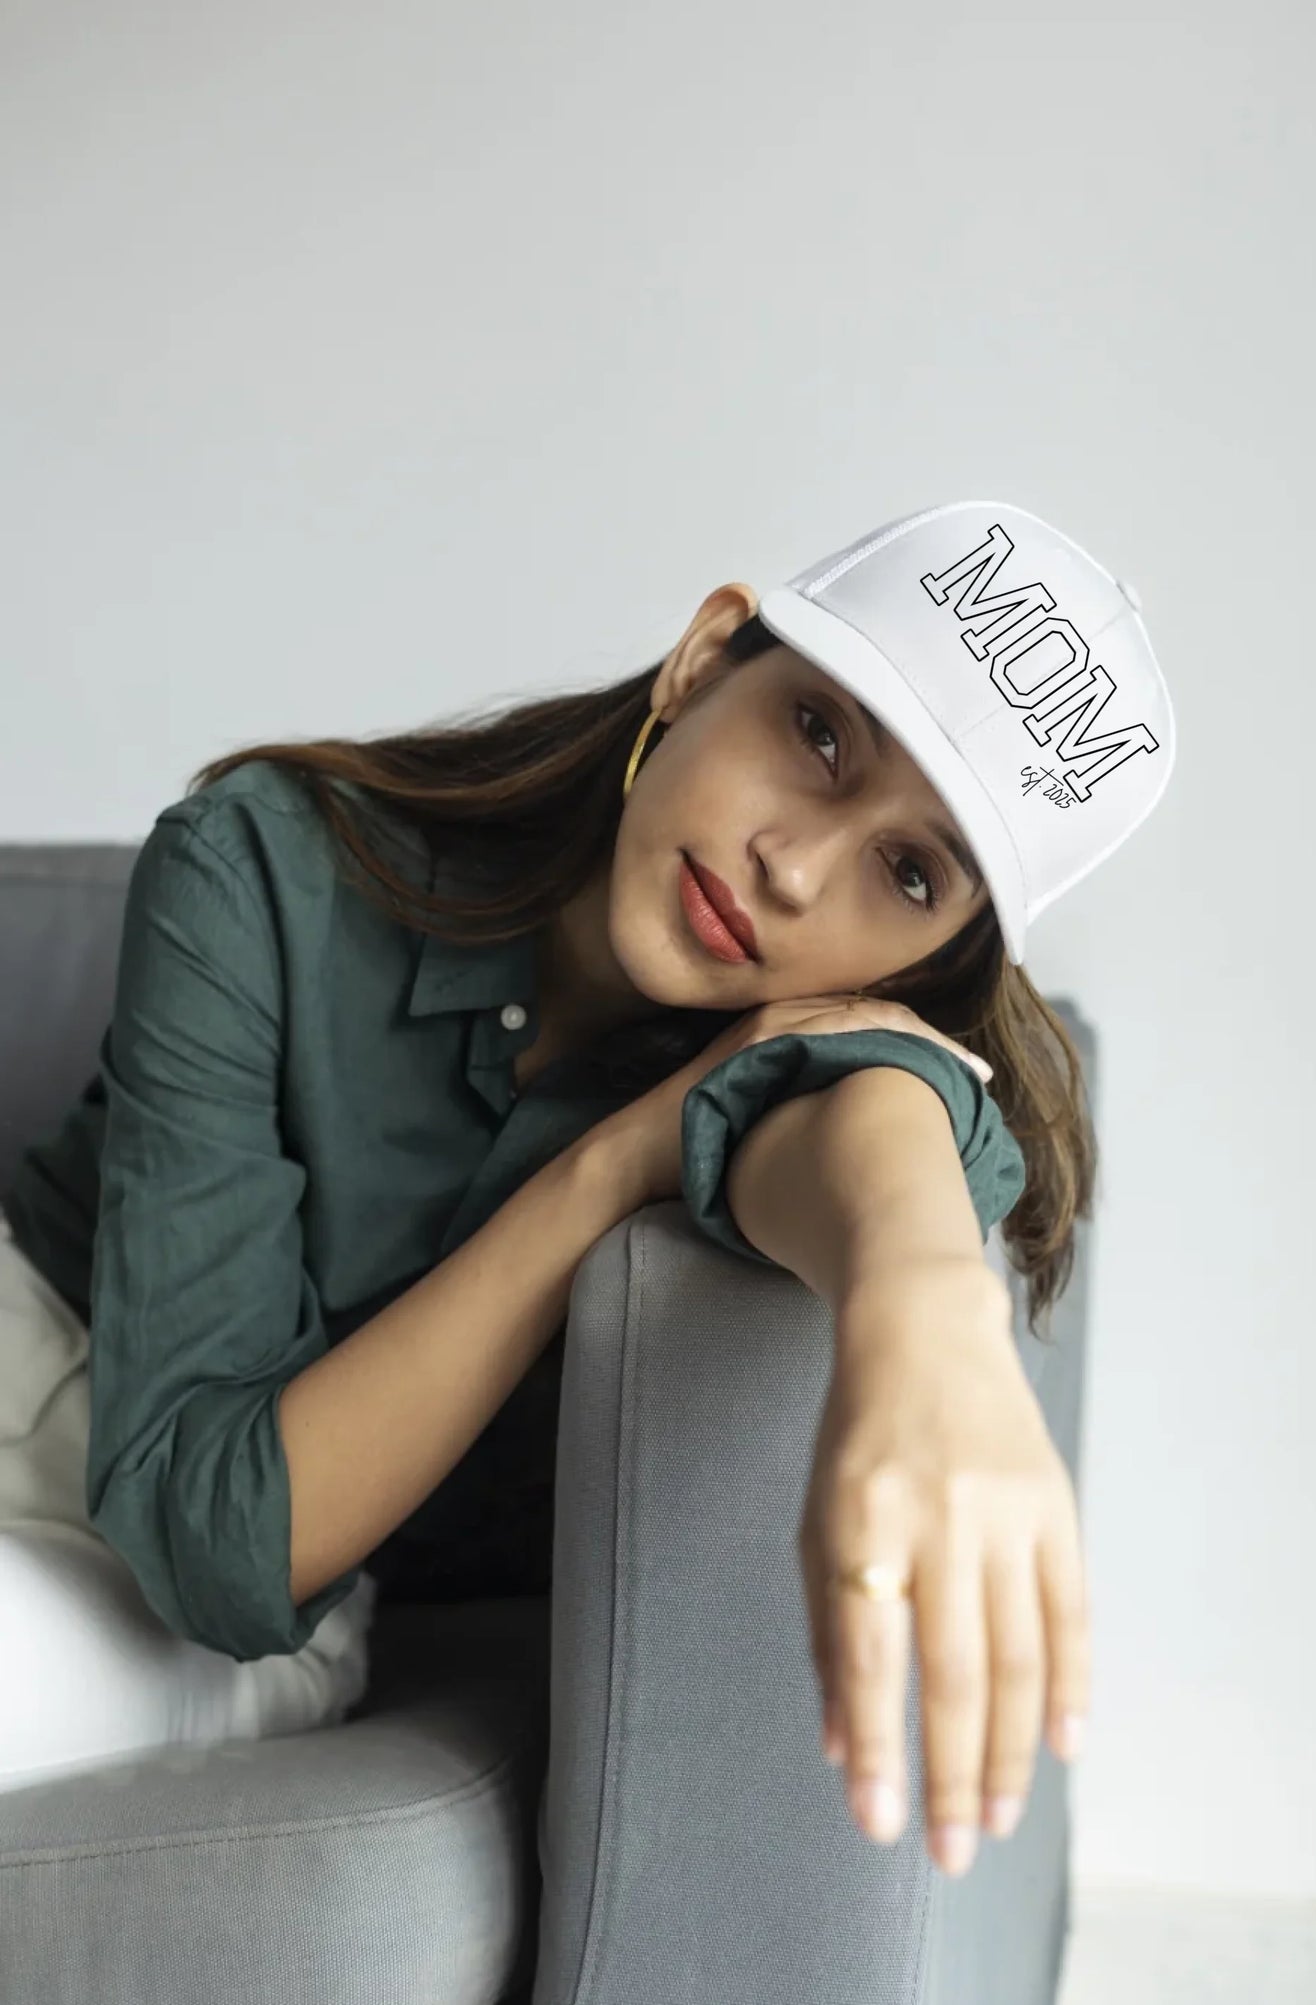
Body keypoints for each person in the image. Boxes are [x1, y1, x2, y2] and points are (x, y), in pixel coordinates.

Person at [0, 498, 1174, 1877]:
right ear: (704, 657)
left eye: (908, 873)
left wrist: (924, 1308)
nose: (794, 868)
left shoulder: (780, 1095)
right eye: (817, 735)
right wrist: (609, 1170)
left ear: (923, 964)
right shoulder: (271, 860)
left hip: (172, 1606)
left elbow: (226, 1551)